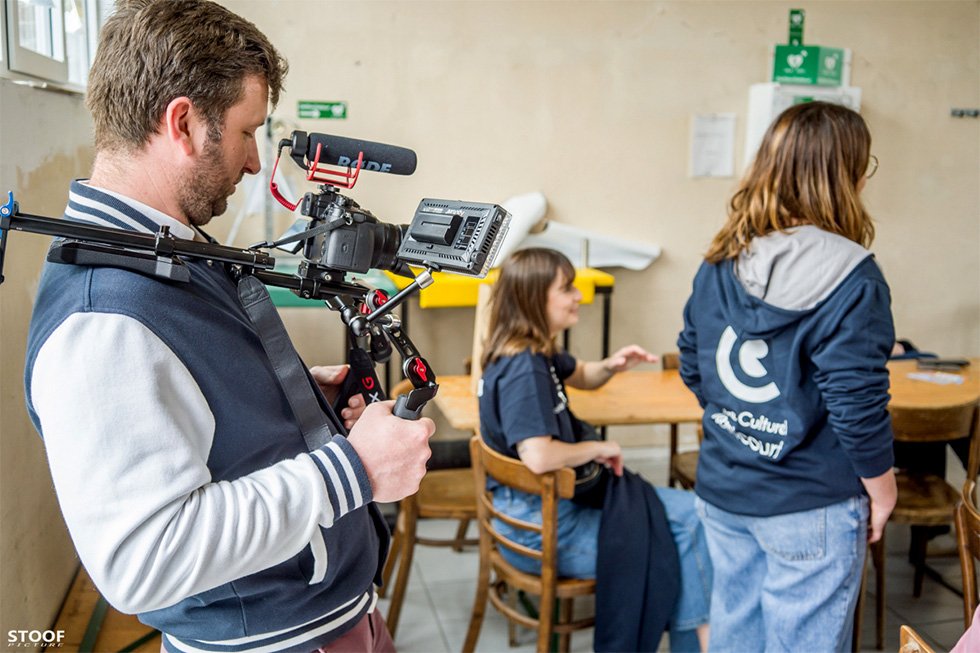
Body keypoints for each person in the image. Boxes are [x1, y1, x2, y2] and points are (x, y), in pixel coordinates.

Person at [23, 1, 434, 651]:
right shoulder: (101, 324)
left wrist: (291, 401)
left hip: (330, 621)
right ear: (183, 123)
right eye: (248, 132)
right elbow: (143, 560)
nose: (251, 163)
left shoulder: (168, 251)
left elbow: (197, 409)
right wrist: (354, 471)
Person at [677, 101, 897, 652]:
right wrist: (883, 487)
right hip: (811, 503)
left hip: (725, 488)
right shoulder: (854, 277)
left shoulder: (720, 259)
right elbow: (855, 405)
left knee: (735, 636)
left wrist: (741, 420)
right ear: (845, 174)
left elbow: (691, 359)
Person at [478, 248, 711, 652]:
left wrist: (613, 365)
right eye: (566, 289)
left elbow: (581, 374)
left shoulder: (529, 349)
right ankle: (700, 644)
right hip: (541, 529)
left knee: (693, 518)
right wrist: (597, 447)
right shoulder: (524, 370)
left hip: (535, 512)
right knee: (691, 530)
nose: (578, 296)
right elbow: (538, 456)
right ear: (535, 298)